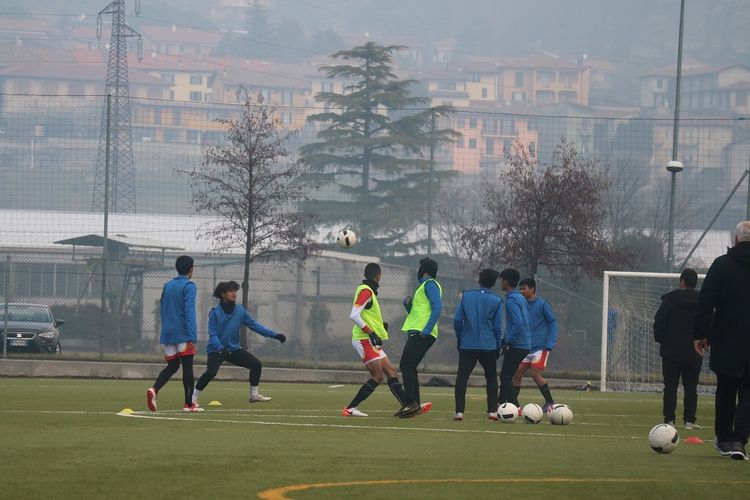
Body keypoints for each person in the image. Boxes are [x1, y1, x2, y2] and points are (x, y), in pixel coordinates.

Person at [695, 221, 750, 461]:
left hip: (726, 341)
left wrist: (701, 334)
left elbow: (705, 304)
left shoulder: (721, 265)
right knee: (749, 394)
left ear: (736, 239)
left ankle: (724, 439)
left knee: (726, 391)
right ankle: (740, 440)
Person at [192, 281, 287, 407]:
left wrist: (274, 335)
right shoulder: (215, 312)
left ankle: (254, 395)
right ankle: (193, 399)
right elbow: (213, 335)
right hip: (216, 350)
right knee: (211, 372)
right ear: (222, 294)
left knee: (256, 364)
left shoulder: (240, 311)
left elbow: (255, 326)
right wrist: (220, 348)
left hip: (233, 349)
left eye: (235, 291)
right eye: (231, 291)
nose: (234, 293)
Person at [342, 263, 409, 417]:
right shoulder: (366, 291)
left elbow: (367, 315)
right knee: (378, 376)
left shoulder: (369, 291)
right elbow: (354, 315)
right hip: (364, 339)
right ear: (378, 275)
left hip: (370, 340)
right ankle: (350, 408)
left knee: (391, 371)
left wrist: (380, 328)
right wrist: (372, 333)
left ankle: (407, 406)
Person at [146, 255, 201, 412]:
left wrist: (165, 330)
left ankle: (154, 390)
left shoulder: (167, 285)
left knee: (173, 365)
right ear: (191, 269)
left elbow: (163, 308)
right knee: (188, 366)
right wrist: (192, 335)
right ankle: (189, 404)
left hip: (168, 332)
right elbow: (189, 311)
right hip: (183, 333)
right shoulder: (189, 286)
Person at [653, 268, 702, 429]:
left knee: (670, 386)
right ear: (695, 283)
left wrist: (662, 340)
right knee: (691, 387)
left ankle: (669, 419)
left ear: (682, 281)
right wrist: (705, 341)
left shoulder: (670, 299)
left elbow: (659, 321)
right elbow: (709, 321)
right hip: (694, 351)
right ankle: (690, 420)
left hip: (671, 351)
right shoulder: (702, 301)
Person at [453, 269, 503, 421]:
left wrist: (460, 336)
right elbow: (498, 326)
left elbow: (457, 320)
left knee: (462, 377)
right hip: (488, 345)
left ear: (479, 280)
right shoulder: (496, 300)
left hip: (467, 344)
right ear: (494, 283)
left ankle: (459, 412)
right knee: (491, 377)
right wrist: (498, 344)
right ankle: (492, 411)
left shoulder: (466, 296)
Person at [397, 257, 442, 418]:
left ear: (424, 271)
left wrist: (427, 329)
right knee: (410, 366)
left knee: (406, 364)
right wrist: (408, 306)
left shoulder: (429, 284)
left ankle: (411, 403)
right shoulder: (423, 287)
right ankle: (413, 404)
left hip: (423, 332)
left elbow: (438, 307)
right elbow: (419, 313)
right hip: (419, 330)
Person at [513, 278, 558, 413]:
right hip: (525, 347)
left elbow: (552, 323)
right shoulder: (520, 305)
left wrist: (550, 342)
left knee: (534, 374)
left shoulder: (543, 305)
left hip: (540, 347)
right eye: (520, 289)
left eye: (524, 288)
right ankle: (514, 404)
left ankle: (550, 401)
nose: (521, 291)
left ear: (532, 289)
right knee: (517, 374)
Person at [497, 268, 531, 408]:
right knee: (507, 375)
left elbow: (518, 322)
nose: (500, 282)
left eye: (502, 279)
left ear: (506, 281)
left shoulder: (511, 299)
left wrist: (507, 340)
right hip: (524, 343)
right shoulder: (520, 297)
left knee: (505, 377)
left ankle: (516, 407)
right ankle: (499, 404)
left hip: (517, 344)